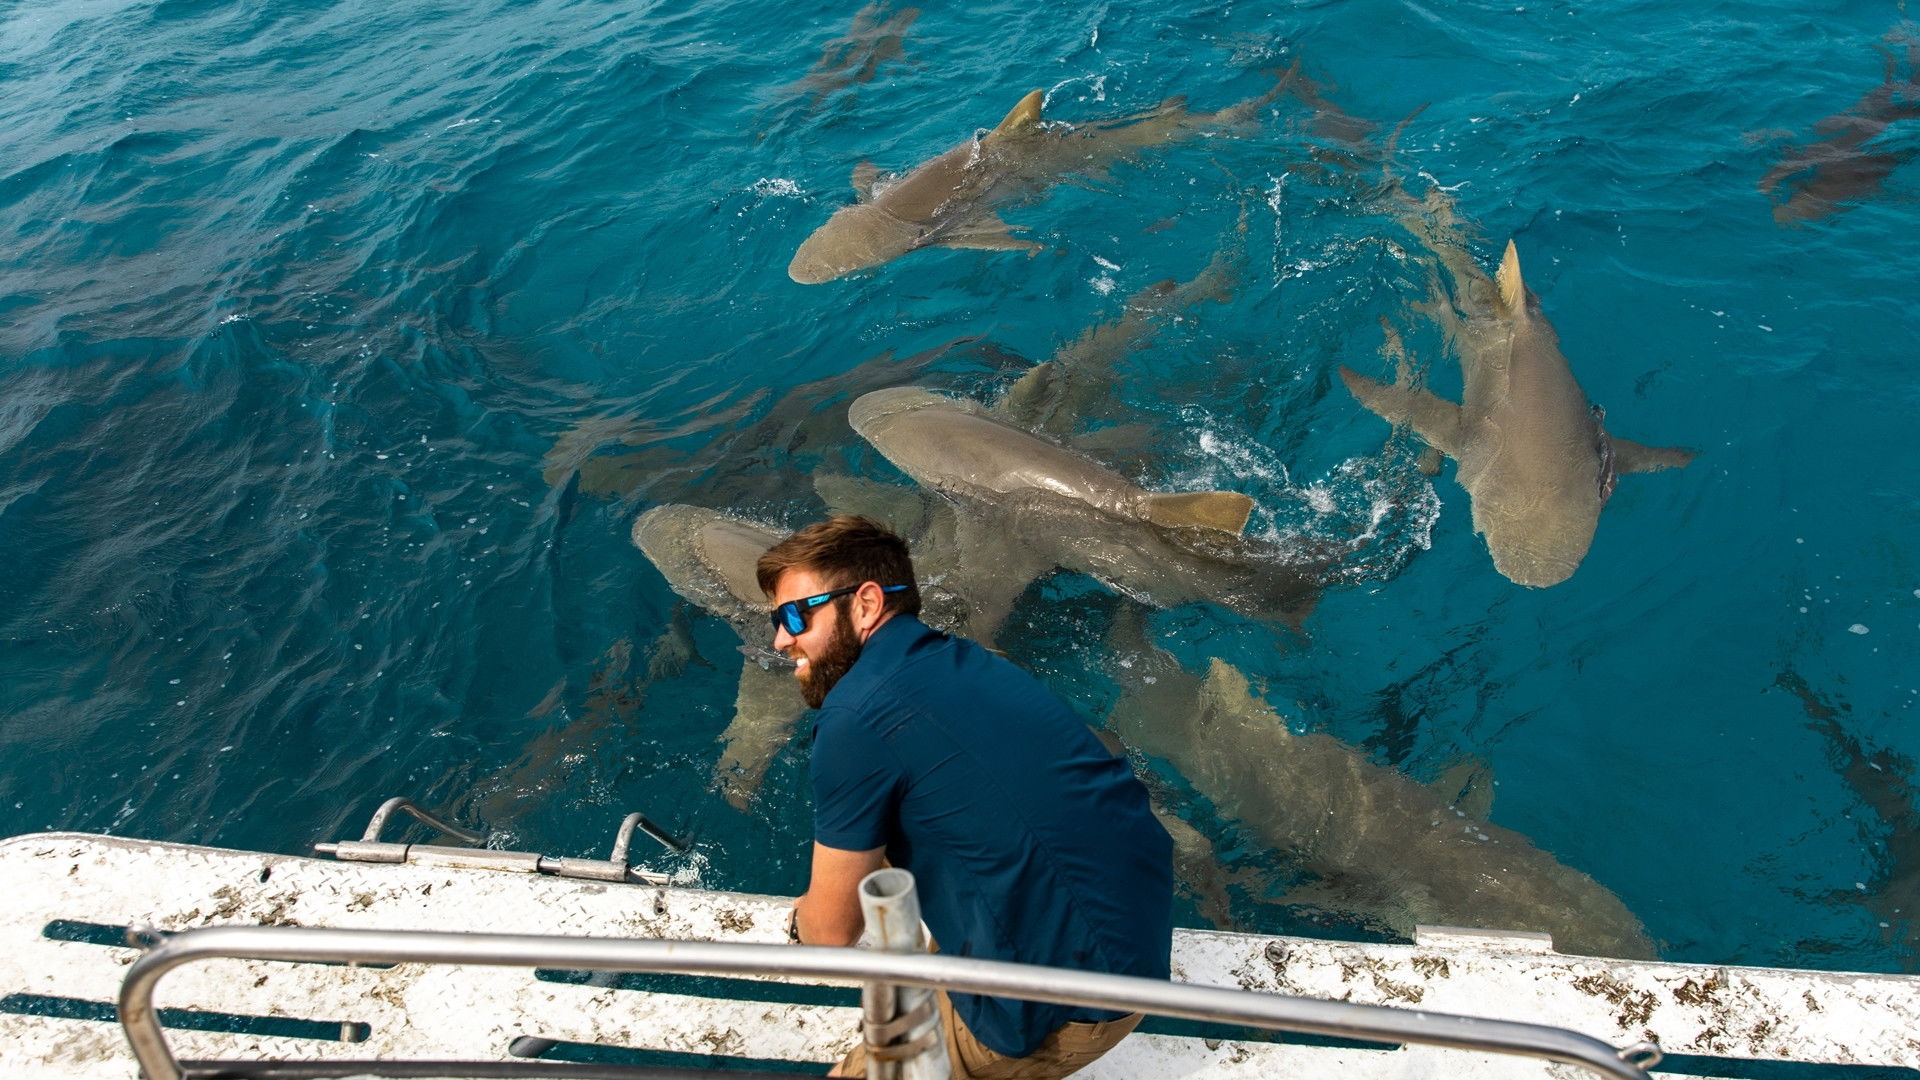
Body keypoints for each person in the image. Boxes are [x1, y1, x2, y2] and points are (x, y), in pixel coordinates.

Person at [756, 514, 1173, 1079]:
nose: (780, 640)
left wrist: (801, 923)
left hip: (1066, 1008)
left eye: (793, 616)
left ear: (866, 603)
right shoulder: (970, 660)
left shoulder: (855, 716)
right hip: (1135, 942)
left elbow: (831, 937)